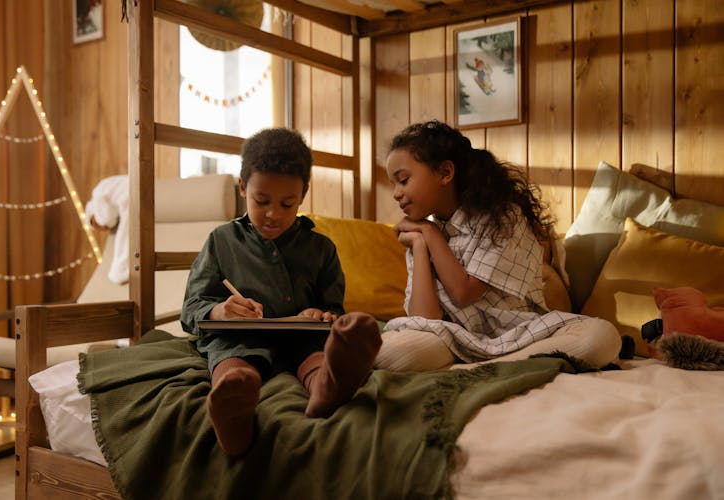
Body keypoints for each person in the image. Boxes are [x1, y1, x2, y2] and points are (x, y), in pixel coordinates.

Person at [181, 128, 381, 456]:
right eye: (262, 201)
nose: (273, 214)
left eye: (287, 204)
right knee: (233, 357)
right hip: (241, 338)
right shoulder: (222, 241)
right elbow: (192, 307)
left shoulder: (321, 248)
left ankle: (325, 388)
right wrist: (220, 311)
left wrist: (322, 314)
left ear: (302, 195)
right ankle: (234, 413)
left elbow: (333, 307)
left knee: (317, 347)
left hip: (301, 337)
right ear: (243, 187)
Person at [374, 120, 620, 371]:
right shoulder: (418, 234)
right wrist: (418, 243)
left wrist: (430, 232)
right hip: (453, 338)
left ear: (445, 173)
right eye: (394, 184)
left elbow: (463, 293)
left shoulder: (502, 217)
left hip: (520, 336)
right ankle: (501, 367)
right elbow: (424, 320)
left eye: (403, 180)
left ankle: (486, 368)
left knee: (602, 336)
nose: (396, 193)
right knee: (390, 354)